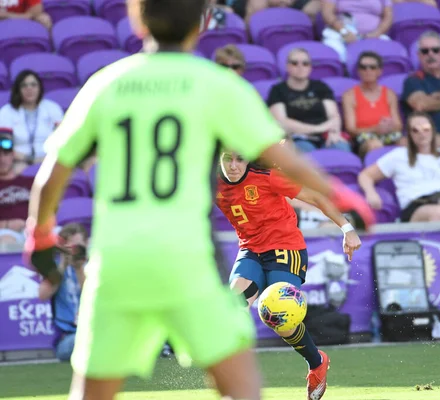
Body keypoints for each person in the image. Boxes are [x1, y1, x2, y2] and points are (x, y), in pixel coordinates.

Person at [23, 0, 375, 399]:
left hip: (117, 262)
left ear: (135, 17)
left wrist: (39, 236)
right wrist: (346, 196)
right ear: (202, 23)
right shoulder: (217, 84)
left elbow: (53, 171)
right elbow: (285, 157)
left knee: (90, 393)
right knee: (240, 389)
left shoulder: (107, 83)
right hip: (186, 260)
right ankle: (312, 360)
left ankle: (312, 359)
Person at [216, 150, 362, 400]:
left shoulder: (266, 177)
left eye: (239, 159)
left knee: (277, 316)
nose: (233, 165)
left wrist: (347, 229)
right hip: (250, 250)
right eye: (227, 158)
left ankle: (317, 363)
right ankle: (233, 389)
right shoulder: (210, 183)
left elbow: (316, 196)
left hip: (286, 249)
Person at [358, 112, 440, 222]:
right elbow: (365, 175)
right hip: (416, 205)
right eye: (415, 130)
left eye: (426, 129)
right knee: (438, 213)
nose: (422, 133)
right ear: (409, 134)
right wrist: (371, 193)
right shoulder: (398, 155)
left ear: (433, 131)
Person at [268, 48, 350, 153]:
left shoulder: (321, 87)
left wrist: (334, 131)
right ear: (287, 66)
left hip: (325, 135)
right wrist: (318, 128)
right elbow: (282, 122)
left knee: (341, 148)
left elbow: (334, 115)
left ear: (310, 67)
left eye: (305, 63)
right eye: (294, 63)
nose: (300, 67)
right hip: (295, 138)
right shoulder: (277, 90)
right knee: (306, 155)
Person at [38, 223, 88, 362]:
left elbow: (92, 295)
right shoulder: (55, 267)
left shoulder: (94, 265)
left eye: (79, 247)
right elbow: (42, 295)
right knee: (79, 342)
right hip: (68, 337)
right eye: (71, 248)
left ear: (87, 243)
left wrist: (79, 269)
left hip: (93, 331)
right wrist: (62, 266)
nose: (75, 251)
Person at [0, 70, 64, 174]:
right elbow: (5, 145)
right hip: (19, 161)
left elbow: (63, 140)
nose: (29, 89)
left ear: (40, 88)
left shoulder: (52, 108)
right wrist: (28, 159)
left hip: (49, 160)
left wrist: (47, 159)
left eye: (33, 85)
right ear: (18, 89)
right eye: (24, 85)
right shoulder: (7, 112)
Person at [342, 51, 403, 158]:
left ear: (379, 71)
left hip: (389, 135)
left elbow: (398, 125)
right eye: (363, 67)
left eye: (372, 67)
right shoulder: (349, 96)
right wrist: (375, 129)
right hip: (364, 139)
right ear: (358, 71)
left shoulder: (389, 94)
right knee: (375, 145)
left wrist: (389, 127)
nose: (367, 70)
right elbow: (351, 129)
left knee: (406, 142)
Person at [321, 0, 393, 62]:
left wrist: (376, 33)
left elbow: (388, 17)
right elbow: (327, 13)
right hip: (340, 34)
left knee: (389, 52)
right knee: (333, 54)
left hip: (374, 36)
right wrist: (344, 31)